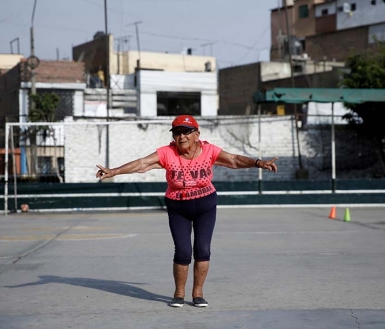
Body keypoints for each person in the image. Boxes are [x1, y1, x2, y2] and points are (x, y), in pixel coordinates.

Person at [96, 115, 278, 308]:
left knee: (202, 250)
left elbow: (233, 160)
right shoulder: (167, 153)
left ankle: (198, 293)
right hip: (178, 207)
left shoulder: (209, 150)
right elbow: (142, 163)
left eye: (186, 132)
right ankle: (178, 293)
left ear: (197, 134)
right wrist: (114, 171)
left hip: (205, 205)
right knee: (183, 251)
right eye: (177, 133)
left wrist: (259, 163)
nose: (181, 136)